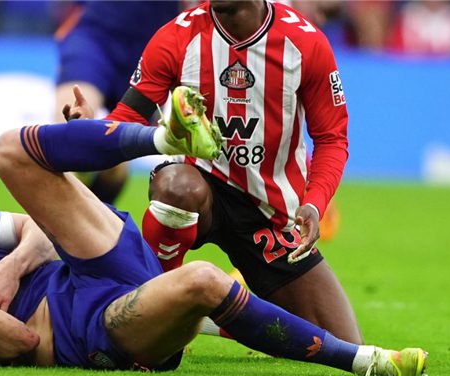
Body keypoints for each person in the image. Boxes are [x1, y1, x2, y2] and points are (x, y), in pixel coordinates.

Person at [0, 86, 427, 376]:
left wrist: (11, 265)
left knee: (10, 151)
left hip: (91, 257)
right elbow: (15, 345)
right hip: (95, 327)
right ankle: (364, 362)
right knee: (203, 283)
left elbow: (37, 225)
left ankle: (160, 137)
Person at [63, 0, 361, 344]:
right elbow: (127, 120)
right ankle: (158, 307)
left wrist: (315, 202)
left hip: (268, 213)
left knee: (339, 341)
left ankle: (203, 317)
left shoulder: (306, 43)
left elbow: (332, 138)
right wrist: (92, 129)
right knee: (175, 187)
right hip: (199, 188)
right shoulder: (176, 36)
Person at [53, 1, 182, 204]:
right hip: (95, 36)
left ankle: (92, 216)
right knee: (66, 131)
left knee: (115, 167)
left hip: (153, 50)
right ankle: (61, 215)